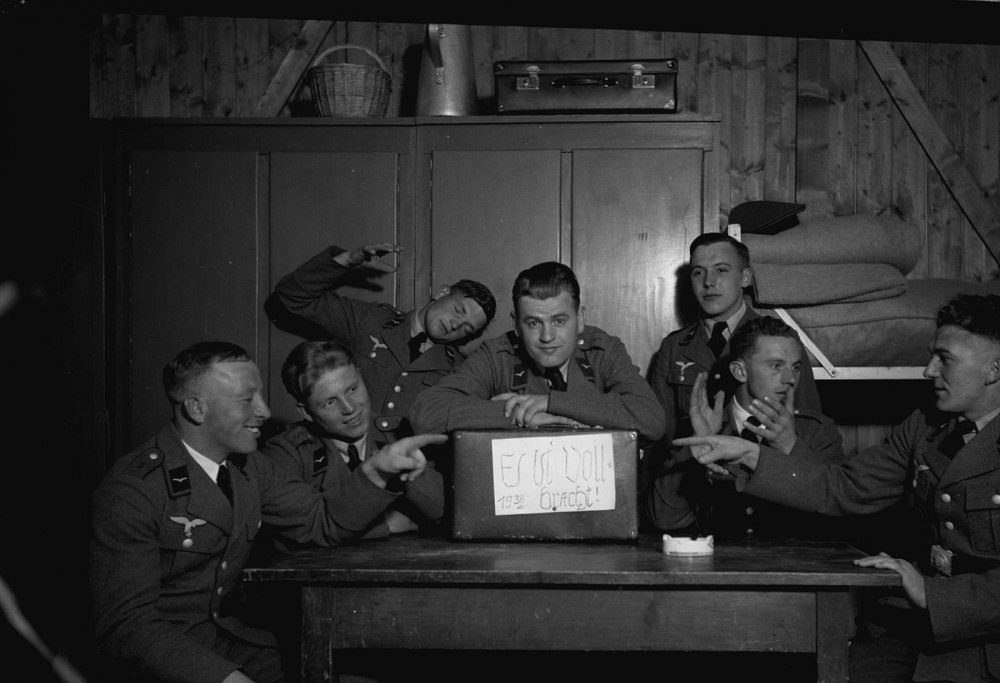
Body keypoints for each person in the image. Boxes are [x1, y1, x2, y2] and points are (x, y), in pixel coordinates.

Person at [674, 293, 1000, 683]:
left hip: (982, 638)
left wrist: (931, 593)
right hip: (916, 629)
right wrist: (749, 454)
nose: (929, 370)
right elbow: (845, 487)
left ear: (993, 369)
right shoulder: (925, 426)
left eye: (944, 358)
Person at [89, 341, 445, 683]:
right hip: (169, 658)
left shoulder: (250, 467)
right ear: (196, 409)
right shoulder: (133, 488)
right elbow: (126, 626)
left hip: (233, 640)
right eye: (247, 400)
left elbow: (322, 521)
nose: (264, 411)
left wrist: (375, 474)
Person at [409, 261, 666, 444]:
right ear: (516, 325)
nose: (547, 336)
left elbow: (651, 419)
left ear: (580, 318)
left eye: (559, 321)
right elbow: (426, 413)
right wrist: (517, 416)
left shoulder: (601, 350)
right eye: (533, 323)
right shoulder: (498, 355)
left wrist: (551, 403)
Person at [645, 315, 848, 538]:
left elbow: (835, 520)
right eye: (776, 365)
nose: (790, 378)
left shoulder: (817, 431)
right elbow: (664, 519)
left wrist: (791, 447)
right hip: (719, 558)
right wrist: (694, 450)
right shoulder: (708, 426)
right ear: (740, 371)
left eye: (796, 367)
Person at [271, 242, 496, 442]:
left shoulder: (458, 370)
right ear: (442, 292)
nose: (456, 324)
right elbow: (292, 296)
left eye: (467, 328)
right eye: (458, 310)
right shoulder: (370, 320)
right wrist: (347, 260)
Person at [261, 339, 445, 545]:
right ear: (306, 412)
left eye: (352, 389)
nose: (350, 408)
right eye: (330, 402)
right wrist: (384, 525)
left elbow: (451, 515)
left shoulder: (402, 434)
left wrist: (413, 476)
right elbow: (304, 528)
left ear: (360, 376)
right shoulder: (286, 453)